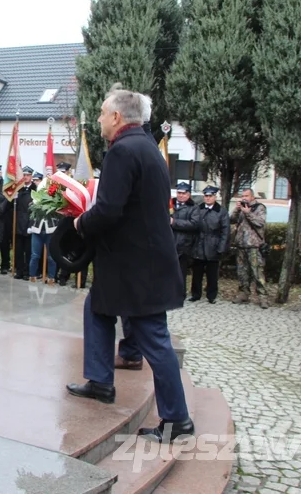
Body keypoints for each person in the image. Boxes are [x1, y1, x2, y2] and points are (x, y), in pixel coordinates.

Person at [66, 85, 192, 444]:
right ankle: (101, 381)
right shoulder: (147, 147)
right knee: (98, 309)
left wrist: (79, 223)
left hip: (138, 269)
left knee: (154, 341)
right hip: (133, 264)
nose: (101, 119)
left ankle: (177, 419)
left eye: (104, 113)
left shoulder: (123, 151)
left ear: (117, 117)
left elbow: (109, 210)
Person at [189, 186, 230, 304]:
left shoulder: (221, 211)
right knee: (197, 273)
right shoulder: (198, 208)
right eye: (206, 196)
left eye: (210, 196)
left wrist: (221, 247)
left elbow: (225, 231)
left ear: (215, 197)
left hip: (213, 245)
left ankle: (211, 295)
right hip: (199, 244)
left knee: (212, 274)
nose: (207, 198)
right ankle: (195, 294)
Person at [230, 188, 270, 308]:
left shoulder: (259, 208)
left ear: (252, 197)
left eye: (247, 196)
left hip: (254, 245)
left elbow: (260, 223)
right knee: (242, 272)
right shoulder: (241, 208)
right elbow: (232, 219)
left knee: (257, 272)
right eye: (243, 196)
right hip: (241, 244)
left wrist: (248, 213)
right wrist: (237, 210)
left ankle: (263, 297)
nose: (244, 198)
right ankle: (243, 293)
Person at [170, 182, 200, 302]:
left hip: (183, 244)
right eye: (179, 193)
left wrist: (174, 222)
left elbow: (194, 224)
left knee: (180, 272)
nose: (181, 195)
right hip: (169, 242)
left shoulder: (193, 208)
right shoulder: (170, 205)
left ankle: (179, 295)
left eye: (183, 193)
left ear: (188, 195)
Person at [14, 167, 36, 280]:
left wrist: (31, 225)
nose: (26, 177)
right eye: (24, 175)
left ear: (31, 176)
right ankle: (19, 271)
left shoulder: (35, 190)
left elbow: (35, 210)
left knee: (28, 251)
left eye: (27, 175)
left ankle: (27, 272)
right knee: (18, 251)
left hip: (29, 224)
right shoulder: (18, 190)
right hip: (18, 224)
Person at [28, 209, 59, 284]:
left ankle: (51, 278)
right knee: (35, 256)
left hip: (51, 229)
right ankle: (32, 277)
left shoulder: (56, 198)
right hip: (36, 229)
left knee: (51, 257)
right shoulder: (36, 198)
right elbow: (30, 210)